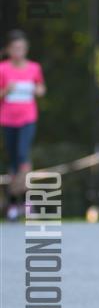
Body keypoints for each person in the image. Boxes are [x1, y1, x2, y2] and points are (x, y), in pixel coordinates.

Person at [0, 29, 46, 221]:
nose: (19, 52)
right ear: (9, 50)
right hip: (7, 119)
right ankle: (13, 203)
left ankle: (27, 202)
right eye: (15, 48)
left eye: (22, 48)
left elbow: (41, 88)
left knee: (22, 155)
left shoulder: (34, 68)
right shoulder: (3, 69)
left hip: (28, 118)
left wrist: (38, 89)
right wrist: (6, 91)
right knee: (13, 161)